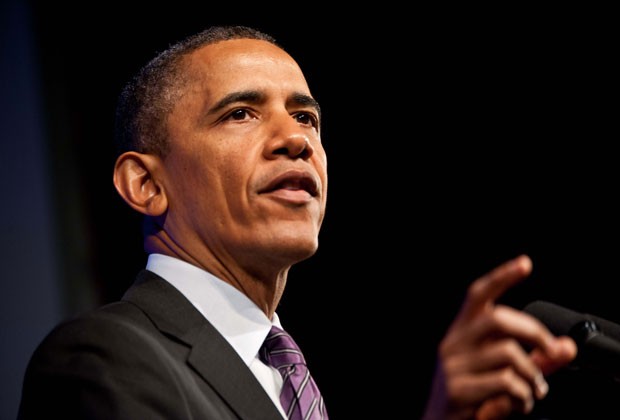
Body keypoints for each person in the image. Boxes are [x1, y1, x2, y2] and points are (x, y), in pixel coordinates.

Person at [17, 25, 577, 420]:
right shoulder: (102, 359)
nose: (296, 140)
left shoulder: (290, 376)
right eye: (240, 113)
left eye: (306, 116)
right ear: (146, 184)